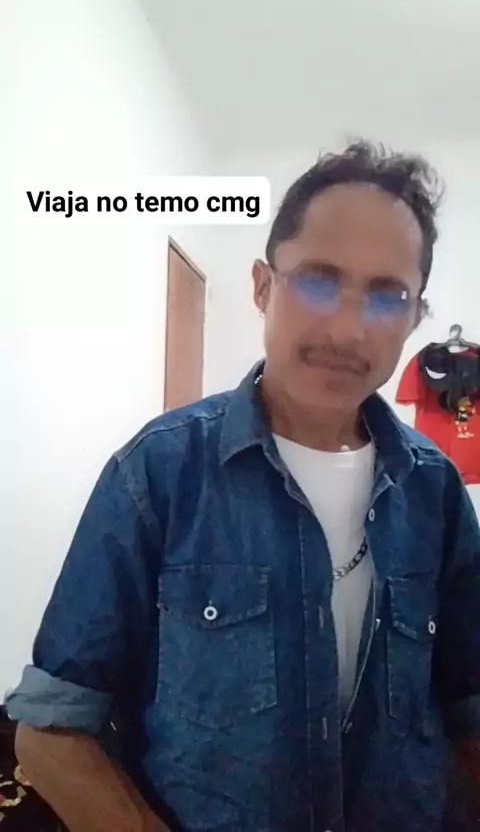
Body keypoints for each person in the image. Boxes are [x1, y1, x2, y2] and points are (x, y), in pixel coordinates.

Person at [6, 142, 480, 832]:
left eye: (387, 296)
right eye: (318, 281)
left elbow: (469, 715)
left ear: (415, 317)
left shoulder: (434, 492)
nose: (349, 329)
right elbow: (51, 731)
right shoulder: (158, 473)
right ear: (263, 286)